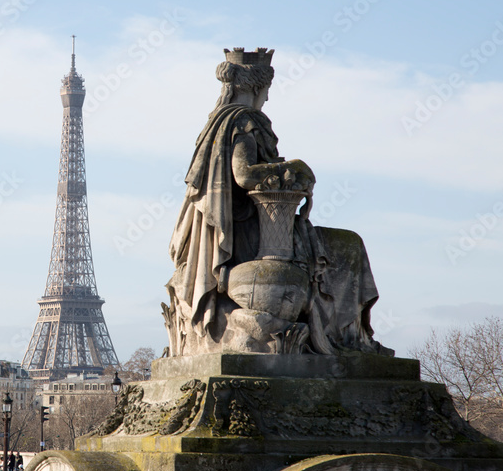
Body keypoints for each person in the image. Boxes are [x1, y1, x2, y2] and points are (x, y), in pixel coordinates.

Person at [165, 47, 387, 357]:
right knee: (349, 247)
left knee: (346, 245)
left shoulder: (218, 123)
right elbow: (243, 175)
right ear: (256, 86)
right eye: (267, 90)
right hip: (250, 233)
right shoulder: (244, 120)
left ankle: (350, 336)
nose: (267, 98)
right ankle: (350, 337)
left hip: (240, 229)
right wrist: (290, 168)